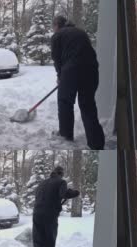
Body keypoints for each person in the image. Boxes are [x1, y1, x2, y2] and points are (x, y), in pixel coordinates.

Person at [50, 16, 105, 150]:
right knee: (88, 105)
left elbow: (57, 59)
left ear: (57, 25)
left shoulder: (57, 36)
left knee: (65, 102)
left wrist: (60, 75)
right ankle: (96, 143)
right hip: (91, 70)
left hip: (71, 71)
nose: (53, 29)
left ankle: (66, 134)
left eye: (53, 26)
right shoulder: (80, 32)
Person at [32, 166, 79, 247]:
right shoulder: (61, 182)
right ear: (61, 174)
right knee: (49, 240)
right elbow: (64, 194)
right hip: (49, 215)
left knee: (38, 241)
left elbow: (38, 197)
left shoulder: (42, 183)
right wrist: (74, 193)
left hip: (36, 213)